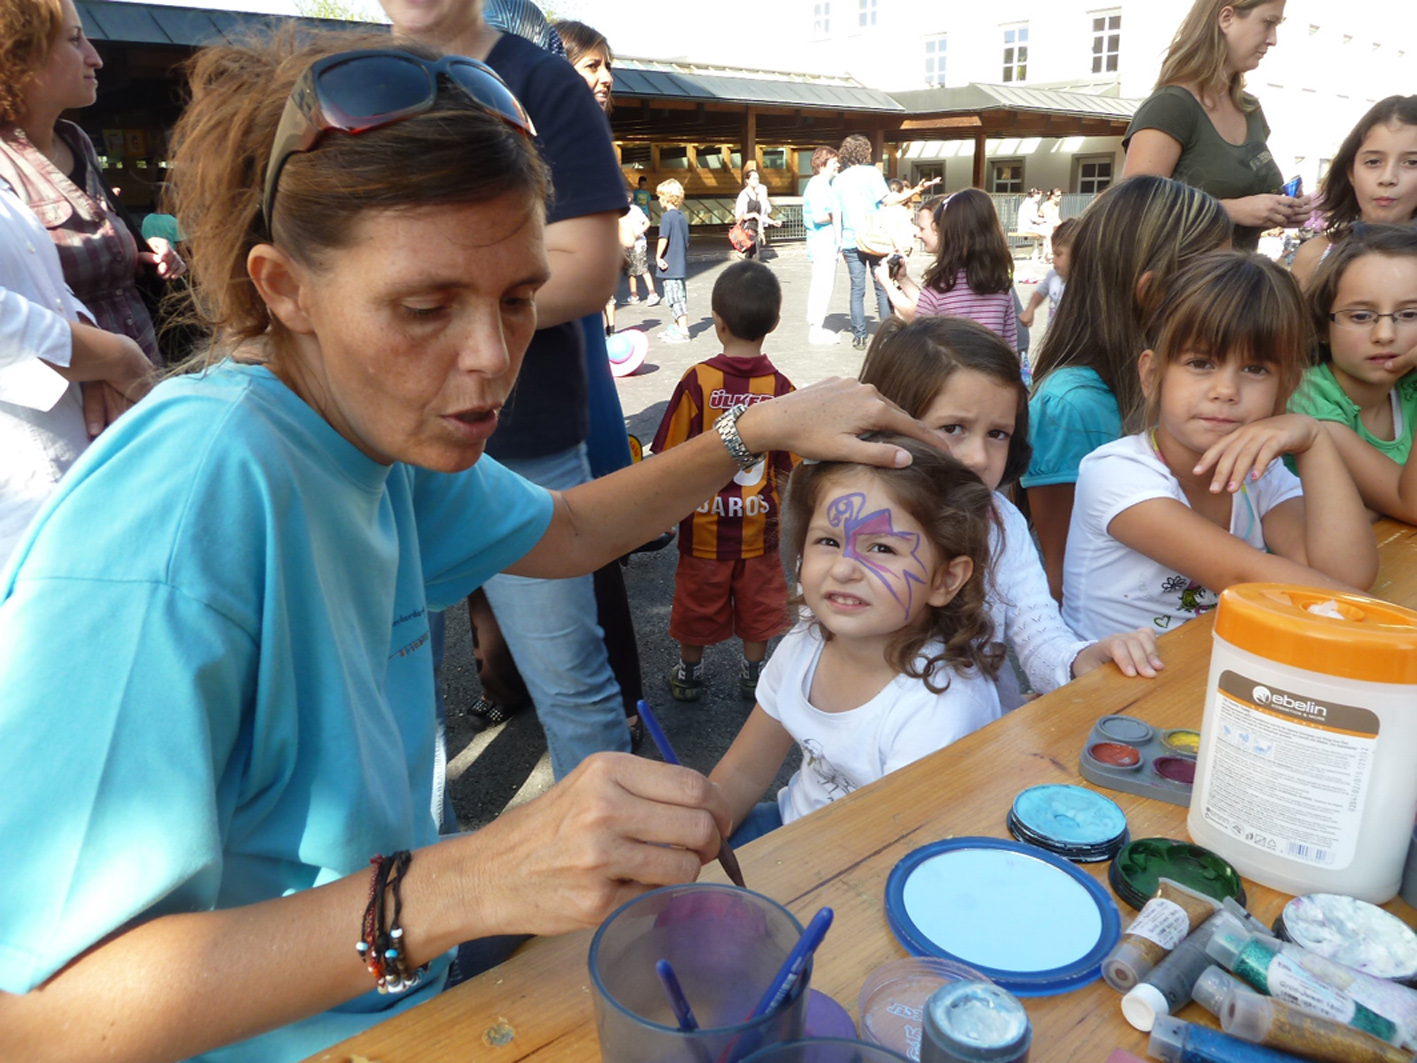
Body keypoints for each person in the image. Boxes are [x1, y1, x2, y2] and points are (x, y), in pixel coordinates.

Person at [0, 34, 944, 1063]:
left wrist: (754, 430)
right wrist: (470, 880)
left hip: (411, 994)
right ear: (284, 288)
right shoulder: (176, 525)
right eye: (424, 306)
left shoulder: (374, 432)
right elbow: (34, 1018)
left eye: (515, 297)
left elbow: (567, 529)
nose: (491, 359)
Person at [379, 0, 634, 776]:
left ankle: (611, 851)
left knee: (570, 679)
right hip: (383, 445)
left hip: (522, 437)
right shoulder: (345, 83)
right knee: (391, 695)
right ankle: (415, 855)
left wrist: (407, 303)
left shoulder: (543, 82)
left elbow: (588, 268)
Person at [1063, 251, 1377, 640]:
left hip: (1212, 662)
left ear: (1286, 387)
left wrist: (1314, 440)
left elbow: (1347, 576)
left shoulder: (1262, 474)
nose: (1226, 390)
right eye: (1200, 363)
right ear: (1152, 374)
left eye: (1255, 369)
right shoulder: (1116, 473)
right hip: (1114, 676)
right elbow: (1243, 575)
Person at [708, 435, 1003, 846]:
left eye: (881, 548)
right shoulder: (807, 641)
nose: (844, 569)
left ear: (945, 580)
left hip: (876, 861)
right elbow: (743, 772)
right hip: (793, 827)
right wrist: (694, 837)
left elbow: (898, 855)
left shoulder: (940, 709)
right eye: (828, 541)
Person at [859, 317, 1162, 711]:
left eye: (997, 434)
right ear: (891, 423)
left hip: (982, 733)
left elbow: (1040, 635)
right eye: (953, 428)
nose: (978, 458)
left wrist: (1080, 660)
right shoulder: (849, 521)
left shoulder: (1000, 523)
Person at [1022, 176, 1232, 601]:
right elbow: (1060, 578)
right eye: (1219, 277)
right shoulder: (1072, 405)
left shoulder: (1208, 387)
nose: (1235, 293)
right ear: (1153, 292)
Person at [0, 0, 184, 365]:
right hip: (78, 392)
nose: (96, 58)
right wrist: (106, 362)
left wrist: (138, 255)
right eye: (74, 40)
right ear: (19, 56)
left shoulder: (77, 140)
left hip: (145, 375)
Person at [653, 261, 796, 703]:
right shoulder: (781, 388)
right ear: (774, 322)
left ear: (717, 321)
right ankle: (754, 675)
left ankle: (689, 673)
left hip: (703, 527)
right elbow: (791, 466)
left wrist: (662, 514)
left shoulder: (698, 381)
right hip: (759, 529)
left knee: (696, 603)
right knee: (759, 604)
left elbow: (670, 456)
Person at [1, 178, 151, 565]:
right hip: (23, 481)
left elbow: (44, 282)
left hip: (78, 449)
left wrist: (93, 356)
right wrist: (116, 358)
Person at [1120, 0, 1307, 252]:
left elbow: (1248, 208)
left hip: (1234, 273)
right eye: (1267, 23)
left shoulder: (1249, 109)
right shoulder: (1171, 106)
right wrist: (1230, 210)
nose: (1272, 39)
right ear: (1226, 18)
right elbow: (1132, 209)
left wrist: (1281, 209)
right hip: (1180, 275)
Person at [1289, 225, 1417, 524]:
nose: (1385, 334)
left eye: (1409, 314)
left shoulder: (1409, 382)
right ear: (1321, 326)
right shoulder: (1306, 399)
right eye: (1361, 316)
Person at [1289, 96, 1417, 289]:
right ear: (1351, 173)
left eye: (1411, 162)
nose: (1388, 178)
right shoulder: (1315, 257)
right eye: (1373, 162)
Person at [877, 189, 1017, 353]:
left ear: (947, 232)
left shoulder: (939, 287)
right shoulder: (1000, 286)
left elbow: (919, 334)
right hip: (994, 368)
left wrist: (886, 283)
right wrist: (903, 279)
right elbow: (1011, 348)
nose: (918, 235)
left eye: (927, 228)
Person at [833, 133, 936, 350]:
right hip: (876, 239)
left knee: (857, 289)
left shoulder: (839, 179)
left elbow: (837, 214)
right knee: (882, 287)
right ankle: (887, 334)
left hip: (851, 240)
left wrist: (839, 242)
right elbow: (889, 200)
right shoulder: (872, 173)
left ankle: (859, 336)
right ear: (865, 152)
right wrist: (916, 190)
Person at [802, 145, 841, 345]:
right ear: (823, 164)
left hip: (823, 243)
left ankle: (817, 326)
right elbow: (818, 216)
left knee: (822, 284)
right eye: (834, 162)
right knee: (822, 286)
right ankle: (816, 329)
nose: (838, 165)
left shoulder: (822, 184)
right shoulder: (819, 185)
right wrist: (839, 215)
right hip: (822, 243)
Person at [1018, 216, 1078, 329]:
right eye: (1053, 254)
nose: (1053, 259)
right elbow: (1040, 293)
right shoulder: (1053, 276)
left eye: (1058, 254)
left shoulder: (1082, 283)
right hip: (1054, 335)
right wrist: (1030, 309)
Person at [656, 177, 691, 343]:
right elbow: (687, 241)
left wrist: (658, 256)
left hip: (670, 265)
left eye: (660, 196)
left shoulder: (667, 217)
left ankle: (683, 330)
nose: (658, 200)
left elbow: (663, 238)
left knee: (674, 298)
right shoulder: (682, 217)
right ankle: (677, 327)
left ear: (667, 197)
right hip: (680, 264)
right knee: (679, 295)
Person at [733, 169, 780, 261]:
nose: (756, 181)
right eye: (753, 179)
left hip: (756, 229)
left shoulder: (758, 195)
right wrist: (753, 214)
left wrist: (773, 222)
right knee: (754, 256)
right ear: (747, 180)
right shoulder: (744, 195)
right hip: (747, 230)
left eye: (757, 179)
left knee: (753, 257)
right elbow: (739, 217)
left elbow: (761, 215)